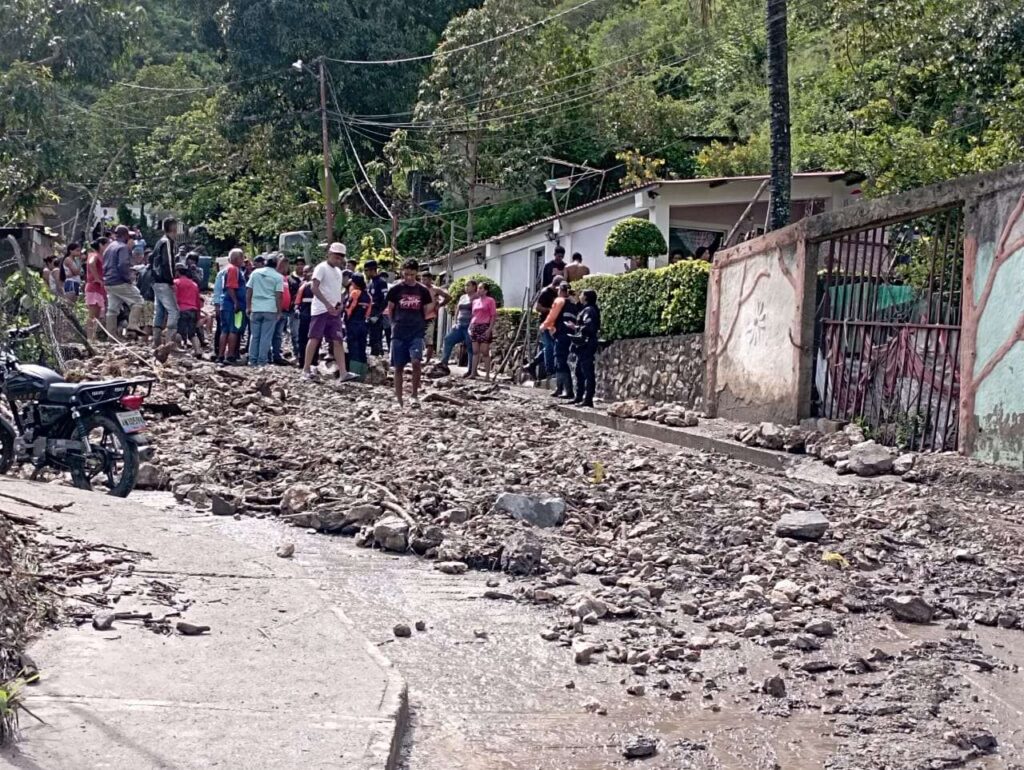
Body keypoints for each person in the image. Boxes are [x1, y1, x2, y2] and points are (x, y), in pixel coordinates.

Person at [303, 242, 356, 383]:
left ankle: (343, 372)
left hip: (334, 311)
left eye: (340, 257)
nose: (338, 259)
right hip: (320, 310)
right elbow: (314, 288)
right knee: (314, 338)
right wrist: (326, 304)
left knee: (337, 341)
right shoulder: (321, 268)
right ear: (329, 254)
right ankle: (305, 369)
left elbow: (336, 291)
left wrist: (340, 305)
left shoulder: (338, 272)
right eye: (336, 256)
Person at [385, 258, 434, 408]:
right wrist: (394, 324)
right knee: (398, 366)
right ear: (402, 272)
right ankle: (399, 398)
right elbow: (390, 309)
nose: (408, 277)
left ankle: (414, 395)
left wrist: (419, 324)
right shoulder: (395, 289)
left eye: (412, 274)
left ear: (416, 273)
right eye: (406, 274)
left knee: (416, 362)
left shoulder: (423, 291)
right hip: (399, 332)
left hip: (416, 332)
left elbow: (425, 310)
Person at [103, 226, 144, 337]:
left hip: (109, 281)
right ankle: (133, 324)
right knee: (138, 301)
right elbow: (122, 265)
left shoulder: (109, 247)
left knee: (112, 309)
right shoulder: (123, 247)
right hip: (119, 280)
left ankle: (111, 336)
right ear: (125, 235)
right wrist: (128, 278)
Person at [245, 254, 284, 367]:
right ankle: (262, 361)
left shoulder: (255, 273)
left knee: (254, 335)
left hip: (256, 308)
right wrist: (279, 311)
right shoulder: (278, 277)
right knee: (265, 336)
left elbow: (249, 291)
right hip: (270, 309)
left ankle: (252, 360)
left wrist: (248, 306)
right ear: (276, 265)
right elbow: (278, 296)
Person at [434, 279, 477, 375]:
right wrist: (455, 322)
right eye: (465, 285)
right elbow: (457, 309)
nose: (466, 287)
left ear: (474, 287)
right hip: (460, 325)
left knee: (470, 347)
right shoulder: (463, 297)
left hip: (469, 326)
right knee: (448, 339)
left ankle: (471, 370)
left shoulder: (477, 297)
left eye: (468, 285)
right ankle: (444, 362)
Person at [525, 275, 563, 381]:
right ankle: (550, 371)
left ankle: (532, 365)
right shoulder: (545, 292)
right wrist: (550, 310)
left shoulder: (557, 293)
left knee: (550, 346)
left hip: (554, 324)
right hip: (545, 322)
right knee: (549, 346)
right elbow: (538, 308)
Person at [149, 217, 180, 348]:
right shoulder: (167, 242)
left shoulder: (159, 242)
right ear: (173, 228)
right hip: (163, 281)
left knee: (160, 311)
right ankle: (169, 342)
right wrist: (171, 280)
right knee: (174, 311)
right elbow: (168, 263)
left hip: (155, 281)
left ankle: (156, 341)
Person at [541, 282, 576, 400]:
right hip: (571, 335)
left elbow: (552, 315)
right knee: (560, 361)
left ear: (561, 291)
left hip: (561, 335)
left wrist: (544, 326)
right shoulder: (574, 303)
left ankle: (567, 390)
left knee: (560, 361)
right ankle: (560, 388)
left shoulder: (559, 300)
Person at [570, 289, 601, 408]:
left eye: (582, 294)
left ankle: (588, 399)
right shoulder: (586, 309)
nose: (580, 296)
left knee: (587, 371)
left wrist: (576, 327)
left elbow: (589, 327)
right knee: (579, 370)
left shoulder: (590, 310)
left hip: (587, 344)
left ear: (586, 297)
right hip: (583, 345)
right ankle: (579, 396)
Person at [218, 248, 246, 364]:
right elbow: (230, 286)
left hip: (225, 304)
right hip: (232, 305)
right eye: (242, 258)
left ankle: (220, 355)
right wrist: (236, 302)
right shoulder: (234, 269)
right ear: (236, 259)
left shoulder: (226, 269)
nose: (243, 260)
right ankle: (230, 356)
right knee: (233, 330)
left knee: (224, 330)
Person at [467, 282, 497, 380]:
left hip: (485, 326)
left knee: (484, 352)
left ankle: (487, 375)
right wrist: (470, 327)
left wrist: (489, 329)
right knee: (475, 351)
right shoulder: (475, 301)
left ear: (486, 290)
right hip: (475, 326)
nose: (478, 290)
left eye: (480, 288)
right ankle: (473, 373)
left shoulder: (490, 301)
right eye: (478, 288)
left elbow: (493, 315)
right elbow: (473, 315)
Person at [174, 263, 203, 357]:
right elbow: (198, 302)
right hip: (193, 310)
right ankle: (198, 351)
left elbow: (174, 298)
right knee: (192, 333)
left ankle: (179, 351)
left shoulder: (176, 282)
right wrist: (198, 316)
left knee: (179, 332)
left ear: (177, 272)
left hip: (181, 310)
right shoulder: (194, 284)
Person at [345, 274, 372, 377]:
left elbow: (349, 308)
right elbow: (368, 312)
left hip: (353, 323)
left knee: (353, 347)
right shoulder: (368, 295)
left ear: (355, 283)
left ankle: (354, 373)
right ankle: (362, 374)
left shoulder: (355, 293)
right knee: (362, 348)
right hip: (363, 324)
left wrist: (346, 320)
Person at [420, 272, 450, 363]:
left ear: (430, 280)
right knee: (417, 338)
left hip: (430, 316)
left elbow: (448, 297)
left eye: (425, 279)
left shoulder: (435, 289)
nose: (423, 281)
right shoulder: (418, 288)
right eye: (422, 279)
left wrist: (440, 305)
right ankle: (417, 358)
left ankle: (427, 361)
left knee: (429, 339)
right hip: (418, 316)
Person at [84, 238, 108, 341]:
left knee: (97, 315)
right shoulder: (94, 255)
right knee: (92, 314)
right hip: (93, 287)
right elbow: (91, 263)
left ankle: (94, 337)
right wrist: (97, 278)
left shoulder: (101, 256)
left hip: (99, 288)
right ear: (101, 245)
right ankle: (90, 337)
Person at [364, 260, 390, 356]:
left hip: (377, 314)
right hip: (370, 314)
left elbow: (385, 299)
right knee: (372, 339)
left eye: (366, 270)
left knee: (376, 339)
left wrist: (378, 315)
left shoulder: (381, 282)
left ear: (372, 270)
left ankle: (378, 359)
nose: (365, 273)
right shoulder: (370, 282)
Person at [271, 254, 292, 366]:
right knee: (271, 333)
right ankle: (270, 355)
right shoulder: (273, 276)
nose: (284, 266)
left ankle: (277, 355)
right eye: (282, 263)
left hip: (284, 310)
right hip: (274, 310)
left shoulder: (284, 277)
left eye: (286, 264)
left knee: (278, 335)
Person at [294, 264, 315, 366]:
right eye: (303, 272)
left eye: (306, 272)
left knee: (315, 338)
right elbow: (298, 300)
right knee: (302, 338)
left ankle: (313, 362)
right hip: (304, 314)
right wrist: (297, 308)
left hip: (315, 315)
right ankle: (302, 360)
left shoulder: (318, 284)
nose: (304, 274)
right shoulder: (303, 285)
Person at [287, 259, 305, 359]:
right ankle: (296, 353)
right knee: (294, 332)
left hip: (307, 309)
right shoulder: (290, 278)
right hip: (293, 308)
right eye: (298, 264)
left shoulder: (309, 279)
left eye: (302, 264)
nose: (300, 266)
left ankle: (304, 354)